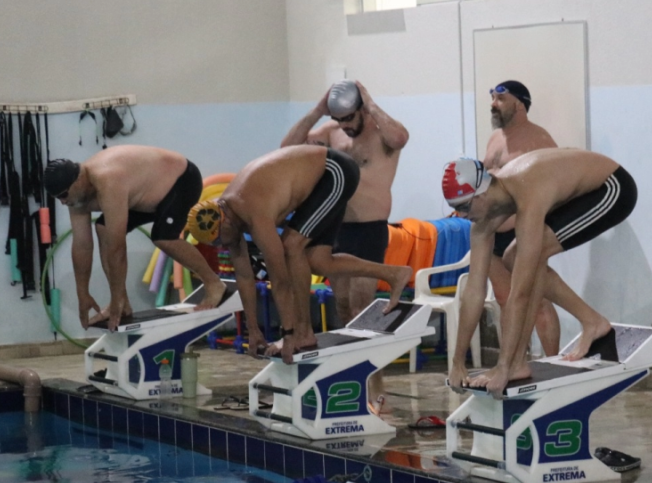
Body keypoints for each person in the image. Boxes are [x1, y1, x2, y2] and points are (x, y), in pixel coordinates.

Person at [184, 145, 411, 365]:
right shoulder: (227, 219)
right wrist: (252, 332)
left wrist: (289, 334)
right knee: (318, 261)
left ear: (225, 220)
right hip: (315, 184)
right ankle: (393, 274)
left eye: (219, 238)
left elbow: (281, 281)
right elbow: (244, 277)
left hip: (334, 171)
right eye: (216, 243)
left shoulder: (251, 210)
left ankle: (304, 332)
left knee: (292, 246)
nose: (222, 244)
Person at [443, 148, 638, 399]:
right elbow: (473, 292)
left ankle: (583, 327)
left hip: (612, 188)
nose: (461, 215)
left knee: (528, 260)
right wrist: (457, 361)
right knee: (514, 257)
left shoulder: (526, 192)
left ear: (481, 194)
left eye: (463, 207)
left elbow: (520, 294)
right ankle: (589, 322)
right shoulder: (483, 219)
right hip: (575, 192)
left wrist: (504, 368)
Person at [280, 80, 408, 406]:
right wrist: (316, 112)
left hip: (369, 229)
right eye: (340, 120)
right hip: (337, 229)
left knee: (361, 308)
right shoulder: (331, 131)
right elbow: (286, 150)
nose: (346, 127)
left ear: (362, 108)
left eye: (350, 118)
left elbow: (401, 138)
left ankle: (375, 386)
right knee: (342, 308)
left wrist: (371, 102)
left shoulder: (382, 132)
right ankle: (354, 378)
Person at [43, 146, 227, 332]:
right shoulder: (76, 195)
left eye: (63, 195)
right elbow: (82, 246)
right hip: (147, 196)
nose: (63, 202)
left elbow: (117, 249)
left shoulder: (107, 180)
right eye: (57, 198)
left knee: (163, 237)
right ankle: (124, 304)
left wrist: (115, 300)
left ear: (79, 180)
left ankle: (213, 283)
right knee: (103, 228)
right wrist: (82, 294)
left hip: (182, 181)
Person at [482, 80, 562, 358]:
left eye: (500, 99)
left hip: (521, 234)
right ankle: (515, 362)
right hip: (491, 232)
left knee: (536, 302)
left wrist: (527, 220)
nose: (493, 104)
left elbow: (557, 188)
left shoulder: (540, 141)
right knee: (506, 301)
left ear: (519, 104)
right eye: (492, 98)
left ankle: (553, 363)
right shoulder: (495, 139)